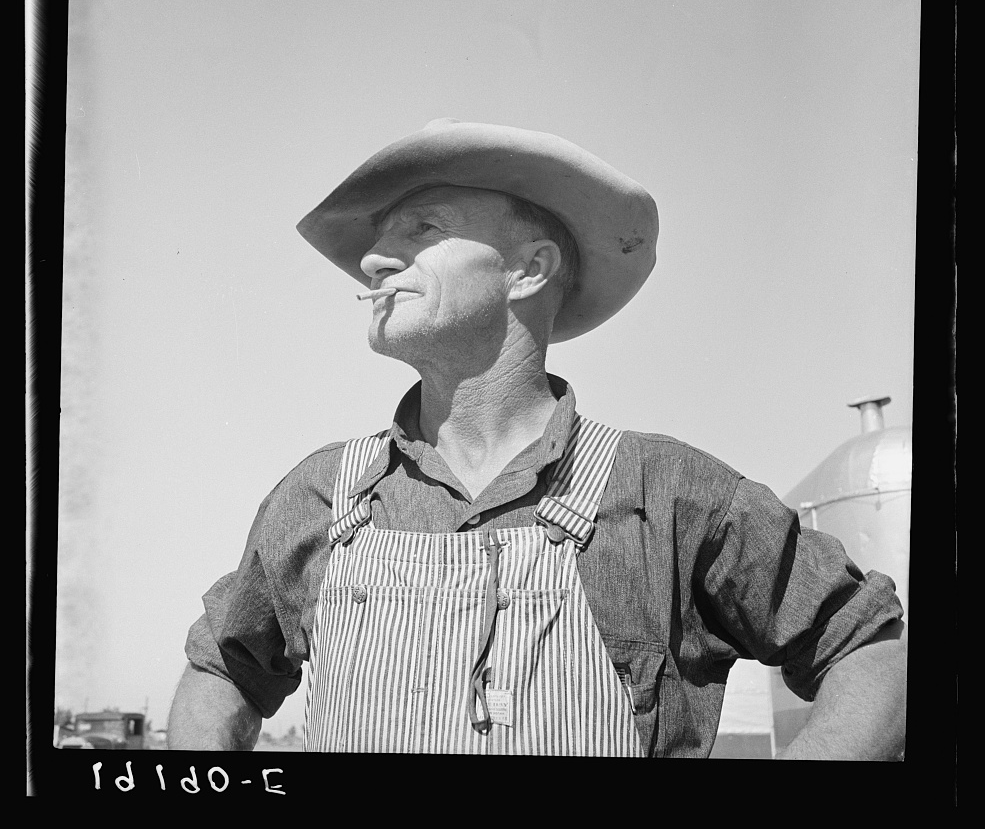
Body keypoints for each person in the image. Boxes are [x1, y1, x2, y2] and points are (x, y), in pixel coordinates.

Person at [167, 118, 906, 758]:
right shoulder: (324, 494)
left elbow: (871, 650)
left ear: (528, 268)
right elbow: (224, 671)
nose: (371, 260)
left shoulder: (669, 494)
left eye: (420, 227)